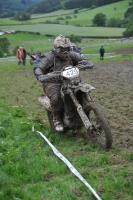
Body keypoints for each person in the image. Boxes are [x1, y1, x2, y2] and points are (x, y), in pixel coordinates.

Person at [34, 35, 93, 132]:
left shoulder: (71, 54)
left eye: (67, 48)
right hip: (53, 82)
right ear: (56, 49)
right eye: (62, 49)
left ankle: (88, 108)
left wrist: (87, 63)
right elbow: (39, 67)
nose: (65, 52)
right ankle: (57, 119)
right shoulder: (49, 57)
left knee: (83, 89)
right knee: (56, 98)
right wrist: (40, 75)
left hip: (71, 79)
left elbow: (82, 58)